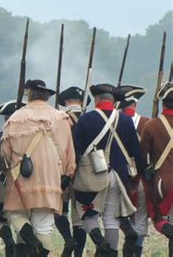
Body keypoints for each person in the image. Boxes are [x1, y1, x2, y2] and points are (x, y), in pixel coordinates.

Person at [1, 79, 76, 256]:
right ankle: (39, 249)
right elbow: (69, 153)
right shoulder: (61, 117)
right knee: (44, 223)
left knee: (15, 213)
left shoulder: (15, 118)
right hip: (51, 177)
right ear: (47, 96)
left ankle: (30, 238)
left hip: (21, 175)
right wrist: (67, 174)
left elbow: (5, 153)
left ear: (29, 95)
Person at [73, 83, 142, 256]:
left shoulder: (85, 119)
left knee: (87, 213)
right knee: (111, 219)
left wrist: (70, 174)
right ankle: (111, 252)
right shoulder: (126, 121)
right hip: (118, 176)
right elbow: (136, 151)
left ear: (96, 99)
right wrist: (139, 174)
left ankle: (99, 241)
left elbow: (76, 150)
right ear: (113, 101)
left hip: (91, 175)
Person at [140, 82, 173, 255]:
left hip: (163, 183)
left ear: (162, 102)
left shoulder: (151, 125)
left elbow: (142, 155)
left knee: (161, 220)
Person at [55, 86, 89, 257]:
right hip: (85, 172)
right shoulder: (89, 119)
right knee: (79, 219)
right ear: (82, 102)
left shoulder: (59, 119)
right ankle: (78, 254)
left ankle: (68, 240)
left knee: (60, 211)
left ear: (66, 102)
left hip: (62, 171)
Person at [117, 85, 150, 256]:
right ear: (135, 104)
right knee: (141, 218)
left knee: (115, 215)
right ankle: (135, 250)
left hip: (119, 177)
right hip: (142, 178)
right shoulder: (147, 123)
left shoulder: (115, 121)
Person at [0, 99, 21, 256]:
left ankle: (8, 241)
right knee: (23, 218)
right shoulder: (29, 135)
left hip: (4, 183)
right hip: (25, 183)